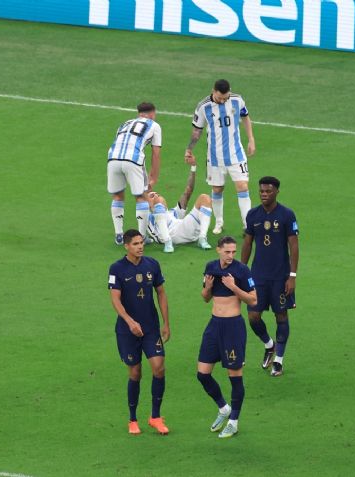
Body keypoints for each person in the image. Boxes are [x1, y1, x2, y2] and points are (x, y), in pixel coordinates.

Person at [108, 229, 171, 435]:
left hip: (151, 328)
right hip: (127, 331)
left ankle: (155, 417)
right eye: (135, 244)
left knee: (159, 367)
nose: (140, 246)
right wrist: (129, 321)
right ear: (126, 246)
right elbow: (115, 299)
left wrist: (166, 323)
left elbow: (161, 293)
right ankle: (132, 419)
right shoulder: (117, 269)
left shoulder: (152, 264)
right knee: (135, 372)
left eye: (141, 242)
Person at [196, 236, 257, 439]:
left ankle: (234, 421)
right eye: (227, 251)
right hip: (214, 326)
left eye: (233, 252)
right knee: (202, 374)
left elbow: (253, 299)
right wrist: (208, 287)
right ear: (218, 250)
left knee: (235, 376)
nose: (231, 255)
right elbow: (204, 298)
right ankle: (223, 408)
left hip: (233, 327)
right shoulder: (210, 267)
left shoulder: (241, 271)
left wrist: (234, 287)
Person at [240, 176, 298, 377]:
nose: (264, 194)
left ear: (276, 192)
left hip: (280, 276)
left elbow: (294, 245)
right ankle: (269, 344)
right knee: (253, 316)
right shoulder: (253, 215)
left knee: (281, 315)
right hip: (258, 276)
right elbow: (247, 243)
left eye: (268, 191)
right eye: (262, 191)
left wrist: (292, 276)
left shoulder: (287, 215)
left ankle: (279, 361)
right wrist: (242, 270)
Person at [184, 79, 256, 234]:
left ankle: (247, 226)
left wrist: (251, 139)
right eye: (220, 98)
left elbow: (246, 117)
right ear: (213, 91)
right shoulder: (203, 107)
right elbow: (197, 131)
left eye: (225, 98)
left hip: (236, 153)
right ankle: (219, 223)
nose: (223, 101)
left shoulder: (237, 100)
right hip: (215, 156)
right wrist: (189, 148)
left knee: (243, 186)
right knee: (217, 189)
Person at [108, 102, 163, 246]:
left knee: (118, 195)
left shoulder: (124, 123)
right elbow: (156, 153)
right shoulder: (154, 125)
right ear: (152, 114)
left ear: (139, 113)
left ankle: (119, 236)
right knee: (141, 197)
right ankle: (142, 237)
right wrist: (154, 177)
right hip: (133, 159)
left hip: (112, 158)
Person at [145, 162, 213, 251]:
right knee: (159, 200)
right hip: (171, 236)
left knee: (205, 198)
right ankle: (167, 241)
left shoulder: (174, 212)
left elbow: (188, 190)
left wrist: (193, 167)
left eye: (157, 194)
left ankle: (202, 238)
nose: (156, 196)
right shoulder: (148, 217)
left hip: (185, 230)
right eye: (152, 196)